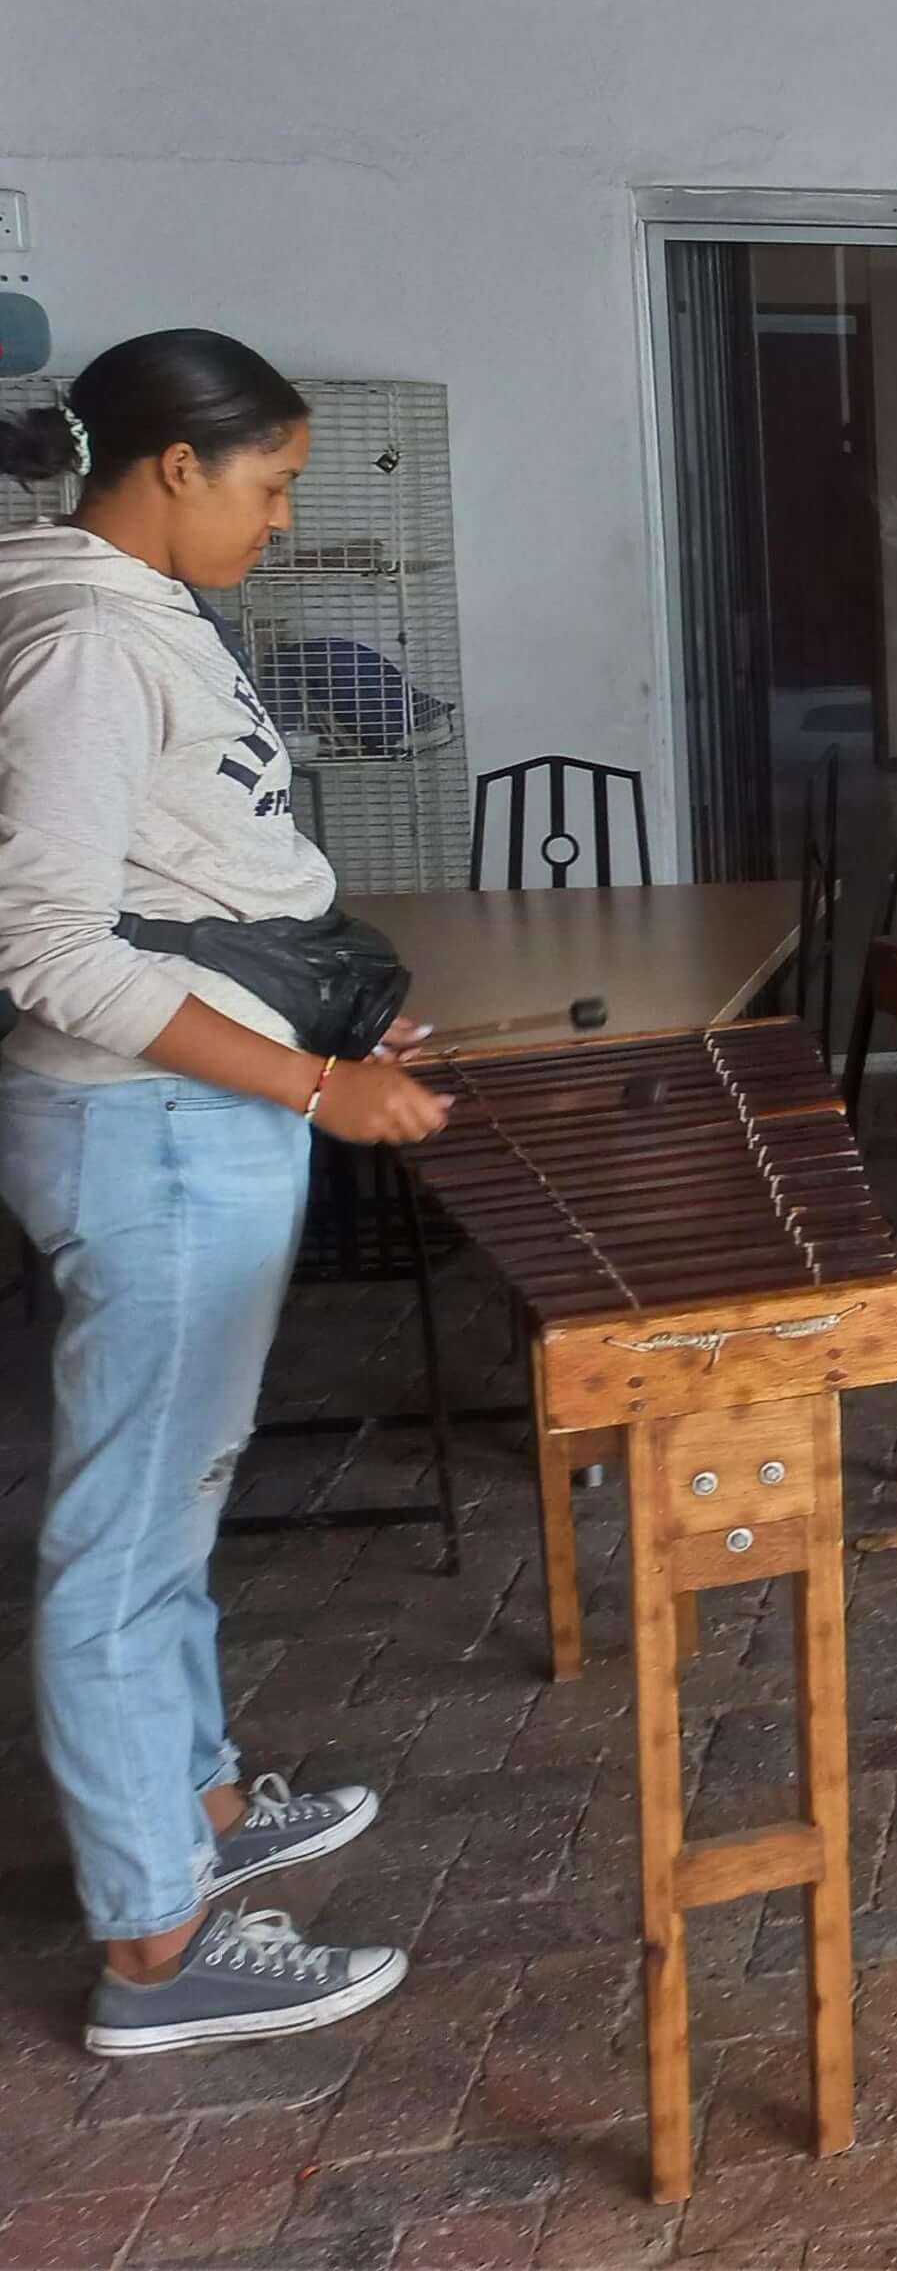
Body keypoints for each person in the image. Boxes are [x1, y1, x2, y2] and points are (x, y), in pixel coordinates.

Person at [0, 332, 450, 2055]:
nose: (280, 521)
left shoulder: (145, 609)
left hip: (196, 1113)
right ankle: (155, 1946)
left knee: (176, 1494)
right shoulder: (82, 642)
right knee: (125, 1536)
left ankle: (190, 1808)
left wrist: (315, 1014)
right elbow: (50, 948)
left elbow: (188, 877)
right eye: (270, 486)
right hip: (152, 1131)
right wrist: (316, 1084)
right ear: (177, 467)